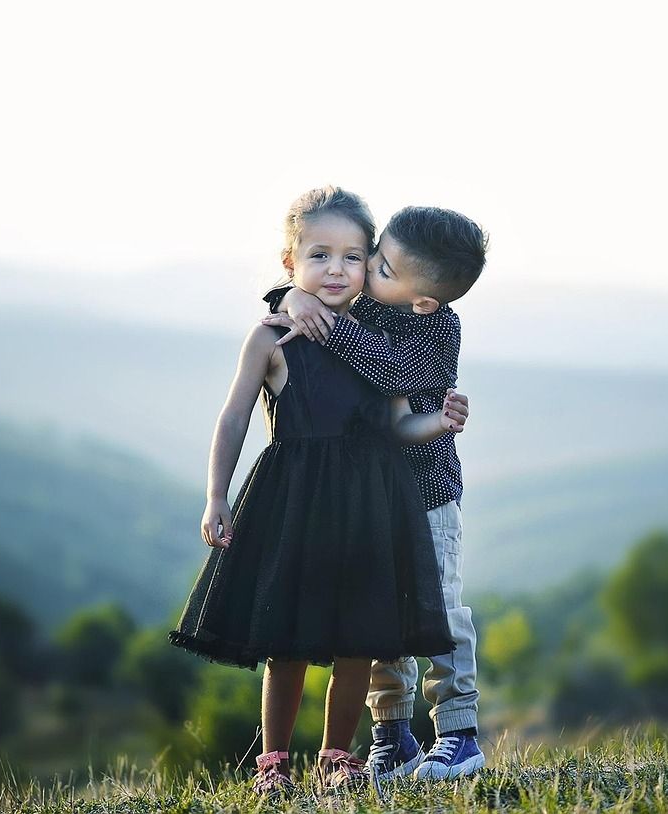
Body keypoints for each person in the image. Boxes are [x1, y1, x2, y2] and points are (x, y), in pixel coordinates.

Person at [168, 186, 467, 798]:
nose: (337, 269)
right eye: (320, 256)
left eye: (354, 257)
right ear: (290, 263)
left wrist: (438, 423)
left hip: (368, 511)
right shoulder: (273, 335)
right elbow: (233, 418)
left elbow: (396, 422)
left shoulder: (373, 335)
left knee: (362, 638)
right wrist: (216, 495)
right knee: (287, 639)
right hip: (296, 507)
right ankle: (273, 763)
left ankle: (341, 759)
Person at [261, 204, 489, 780]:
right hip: (367, 498)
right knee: (378, 616)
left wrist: (326, 322)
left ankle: (458, 732)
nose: (362, 273)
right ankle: (393, 732)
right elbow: (311, 287)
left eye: (378, 265)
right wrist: (291, 298)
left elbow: (394, 376)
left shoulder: (437, 328)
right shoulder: (367, 300)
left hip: (427, 492)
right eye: (373, 256)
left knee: (437, 608)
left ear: (423, 299)